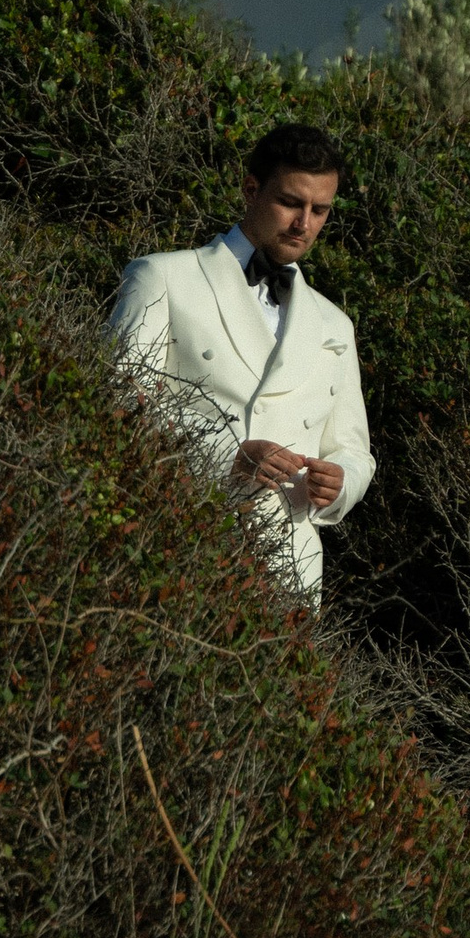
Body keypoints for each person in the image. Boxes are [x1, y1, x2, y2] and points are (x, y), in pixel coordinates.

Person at [105, 121, 374, 601]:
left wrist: (342, 482)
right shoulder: (163, 276)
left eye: (320, 210)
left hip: (289, 573)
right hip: (176, 545)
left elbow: (353, 451)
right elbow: (118, 398)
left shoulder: (335, 325)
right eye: (291, 202)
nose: (304, 224)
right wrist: (228, 453)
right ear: (251, 189)